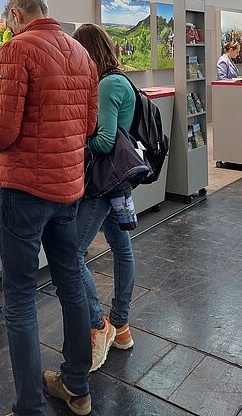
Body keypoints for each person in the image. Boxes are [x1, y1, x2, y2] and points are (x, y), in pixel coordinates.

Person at [0, 0, 98, 416]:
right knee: (70, 283)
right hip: (68, 190)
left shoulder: (17, 48)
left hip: (24, 190)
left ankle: (29, 406)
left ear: (17, 15)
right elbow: (89, 125)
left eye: (8, 20)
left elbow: (2, 131)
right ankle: (77, 386)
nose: (7, 27)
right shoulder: (82, 54)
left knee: (21, 297)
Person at [71, 23, 137, 372]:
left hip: (103, 182)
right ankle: (122, 326)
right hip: (117, 182)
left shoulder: (109, 84)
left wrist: (75, 138)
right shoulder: (118, 80)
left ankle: (101, 324)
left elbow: (105, 141)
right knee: (122, 248)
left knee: (73, 252)